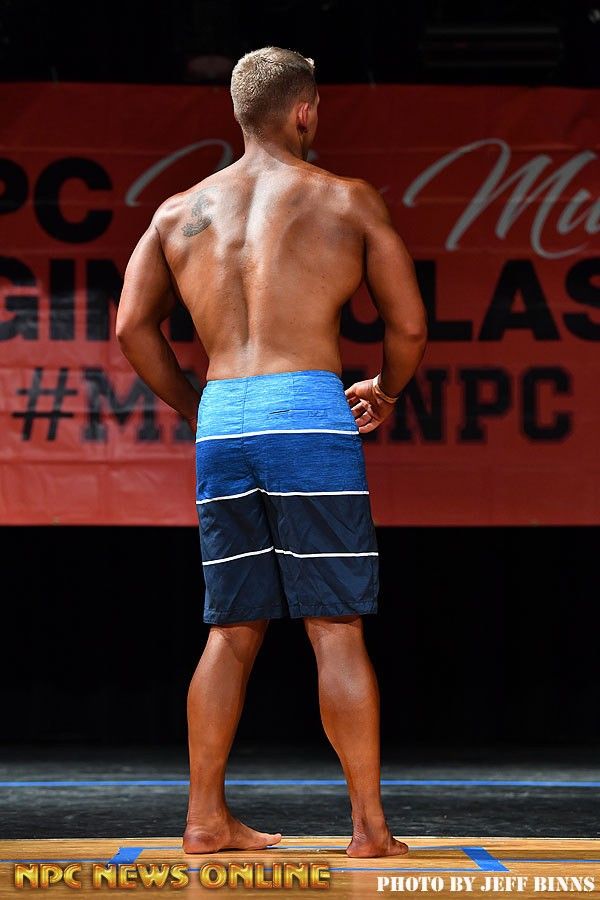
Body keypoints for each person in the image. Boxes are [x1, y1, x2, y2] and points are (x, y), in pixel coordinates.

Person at [116, 46, 427, 859]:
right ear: (305, 110)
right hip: (307, 413)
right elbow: (408, 324)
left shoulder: (177, 212)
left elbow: (130, 327)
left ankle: (204, 819)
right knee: (334, 626)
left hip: (224, 417)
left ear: (237, 112)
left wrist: (196, 404)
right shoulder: (345, 199)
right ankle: (369, 828)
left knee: (231, 627)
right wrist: (387, 389)